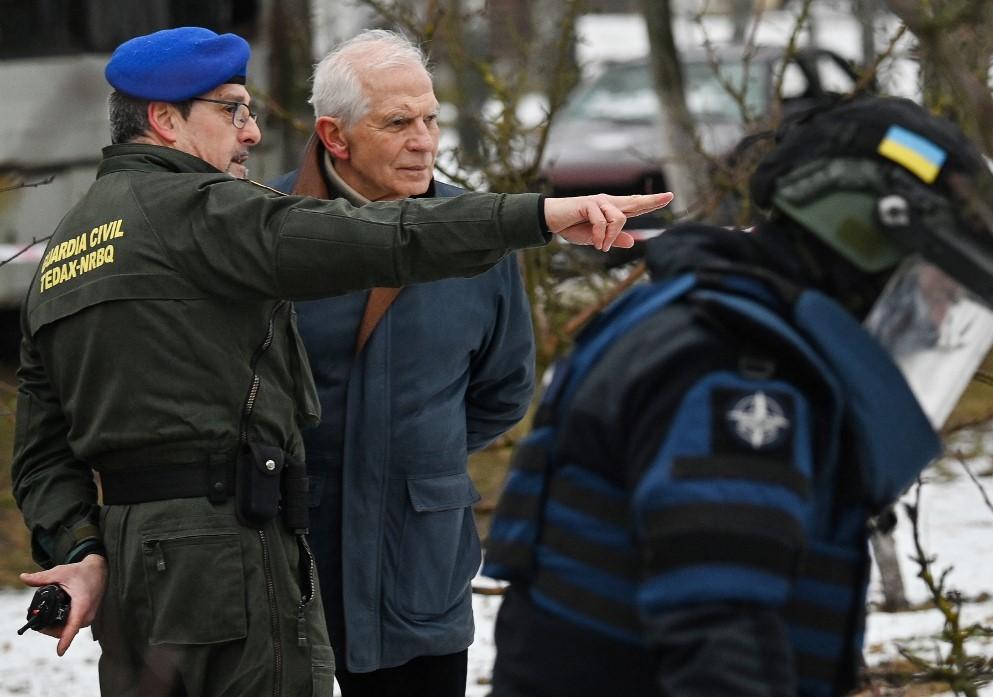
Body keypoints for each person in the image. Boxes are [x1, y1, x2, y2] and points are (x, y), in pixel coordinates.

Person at [9, 26, 671, 697]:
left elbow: (39, 455)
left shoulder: (68, 247)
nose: (250, 133)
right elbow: (387, 237)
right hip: (236, 563)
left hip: (133, 581)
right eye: (232, 110)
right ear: (164, 118)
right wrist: (541, 216)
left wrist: (78, 548)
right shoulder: (205, 213)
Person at [483, 95, 993, 697]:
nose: (936, 315)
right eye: (933, 287)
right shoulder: (737, 372)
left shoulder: (705, 319)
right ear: (865, 235)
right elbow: (721, 635)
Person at [267, 30, 534, 695]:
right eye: (398, 123)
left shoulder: (482, 236)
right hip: (288, 565)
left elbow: (504, 389)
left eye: (431, 119)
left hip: (420, 567)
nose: (424, 140)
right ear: (335, 136)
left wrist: (415, 451)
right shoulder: (265, 231)